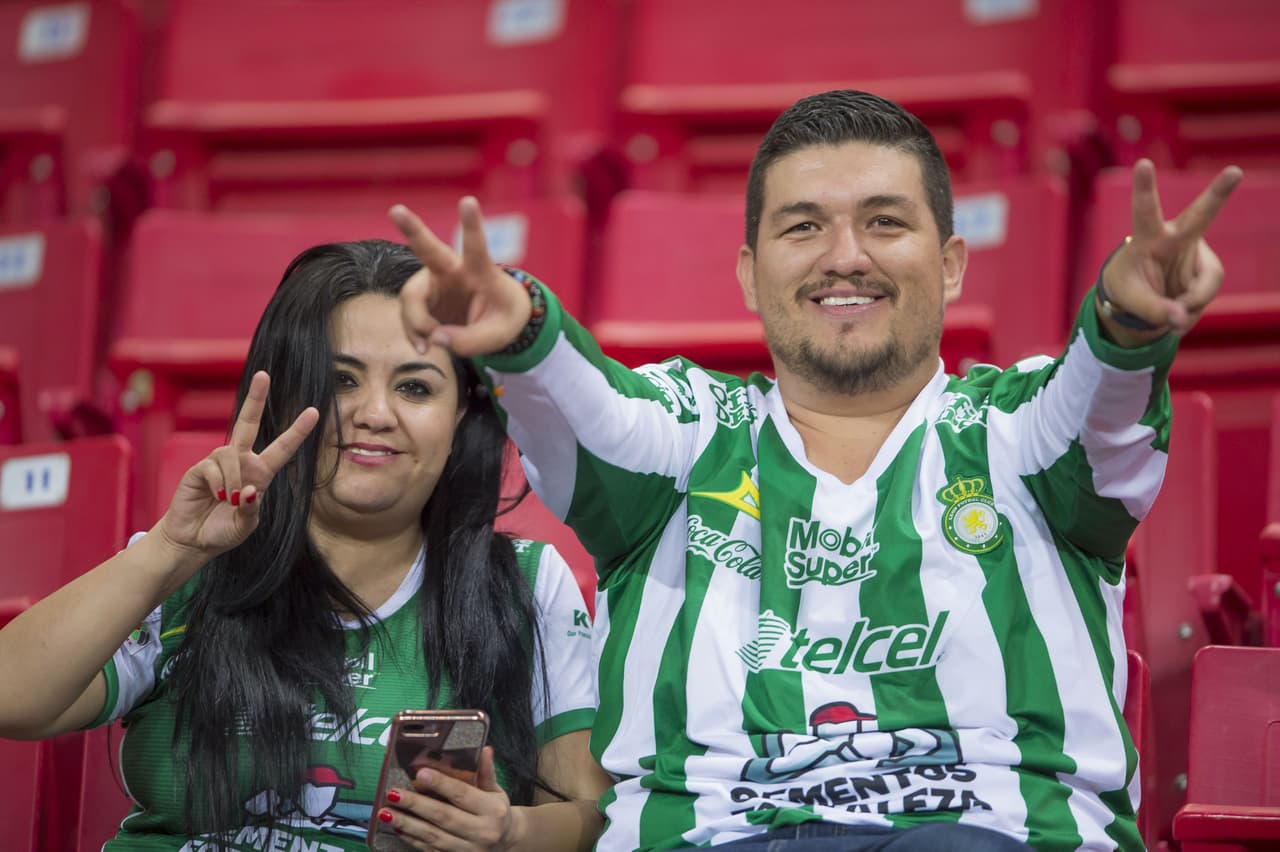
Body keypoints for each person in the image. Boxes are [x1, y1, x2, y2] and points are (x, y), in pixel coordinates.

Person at [387, 89, 1242, 851]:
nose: (845, 256)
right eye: (803, 226)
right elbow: (582, 404)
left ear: (950, 265)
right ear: (751, 277)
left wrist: (1128, 321)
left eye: (885, 222)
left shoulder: (1021, 429)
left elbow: (1100, 402)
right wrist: (517, 327)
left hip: (988, 828)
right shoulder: (686, 432)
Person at [0, 240, 611, 850]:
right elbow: (11, 698)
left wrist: (506, 834)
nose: (374, 413)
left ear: (460, 416)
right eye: (340, 380)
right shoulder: (183, 563)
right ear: (289, 397)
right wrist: (170, 549)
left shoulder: (527, 585)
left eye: (416, 388)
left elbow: (592, 819)